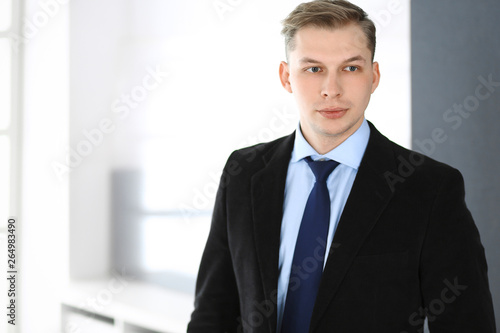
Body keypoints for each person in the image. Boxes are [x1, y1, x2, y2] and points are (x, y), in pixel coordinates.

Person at [187, 0, 496, 332]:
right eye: (313, 68)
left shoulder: (430, 189)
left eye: (350, 68)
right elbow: (213, 313)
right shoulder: (243, 173)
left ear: (373, 76)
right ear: (286, 76)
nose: (331, 90)